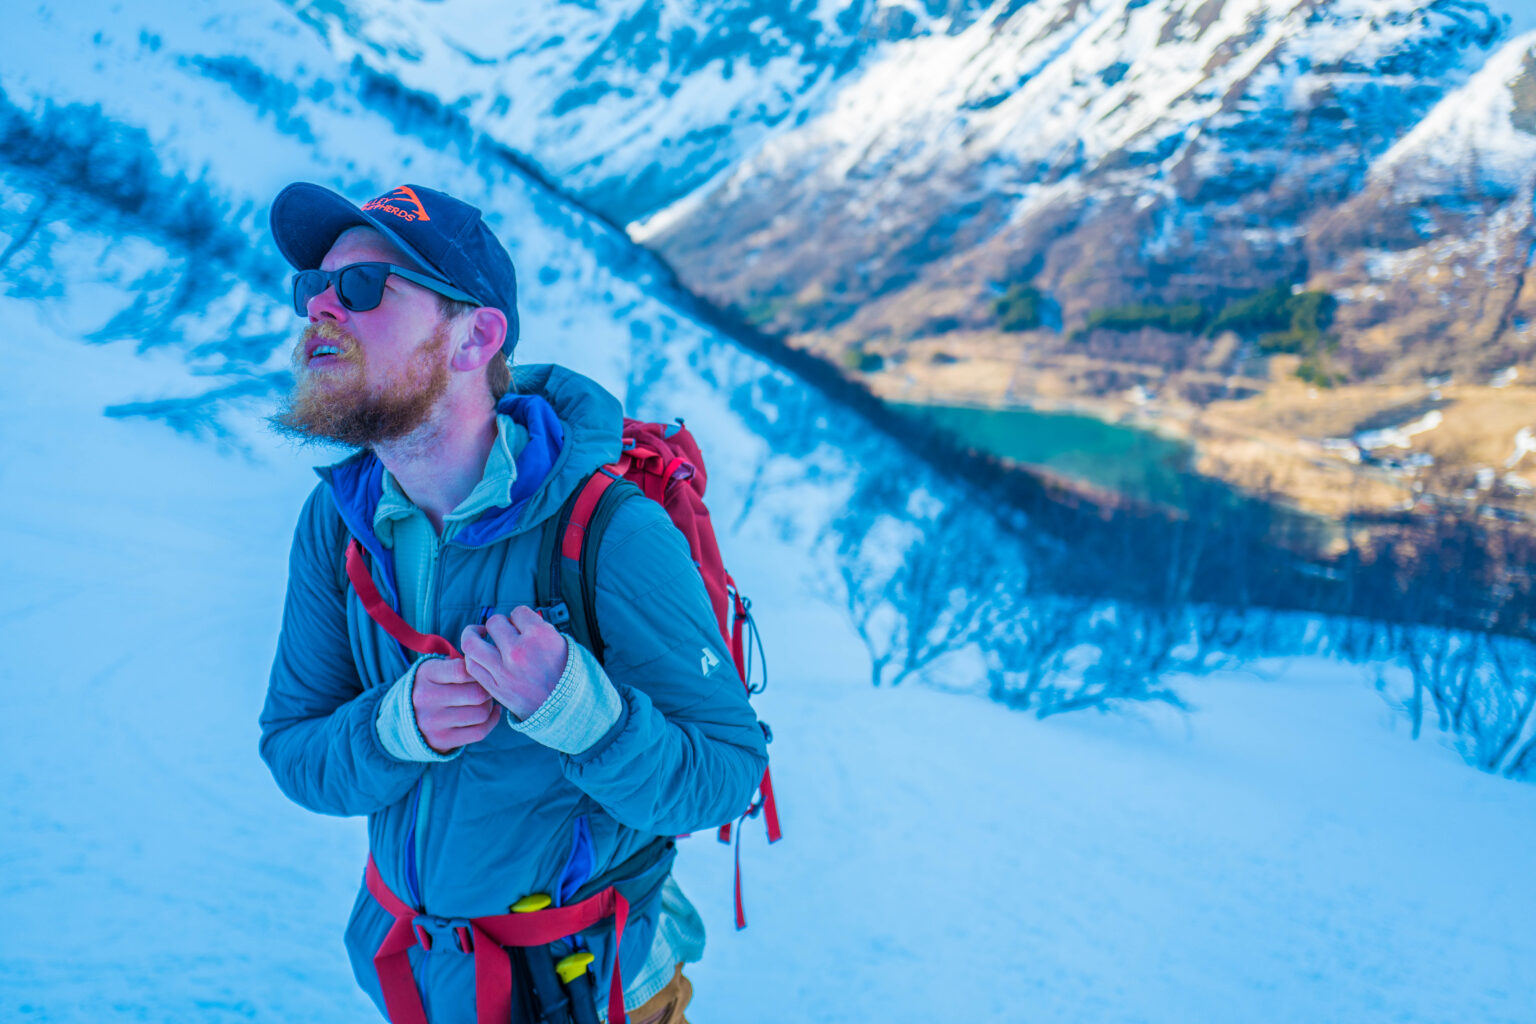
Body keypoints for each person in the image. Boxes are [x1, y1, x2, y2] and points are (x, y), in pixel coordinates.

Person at [258, 182, 769, 1024]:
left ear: (475, 336)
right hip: (423, 979)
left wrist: (584, 715)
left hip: (594, 990)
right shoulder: (339, 523)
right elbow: (295, 751)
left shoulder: (611, 532)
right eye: (311, 288)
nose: (320, 305)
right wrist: (396, 729)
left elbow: (722, 777)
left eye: (361, 287)